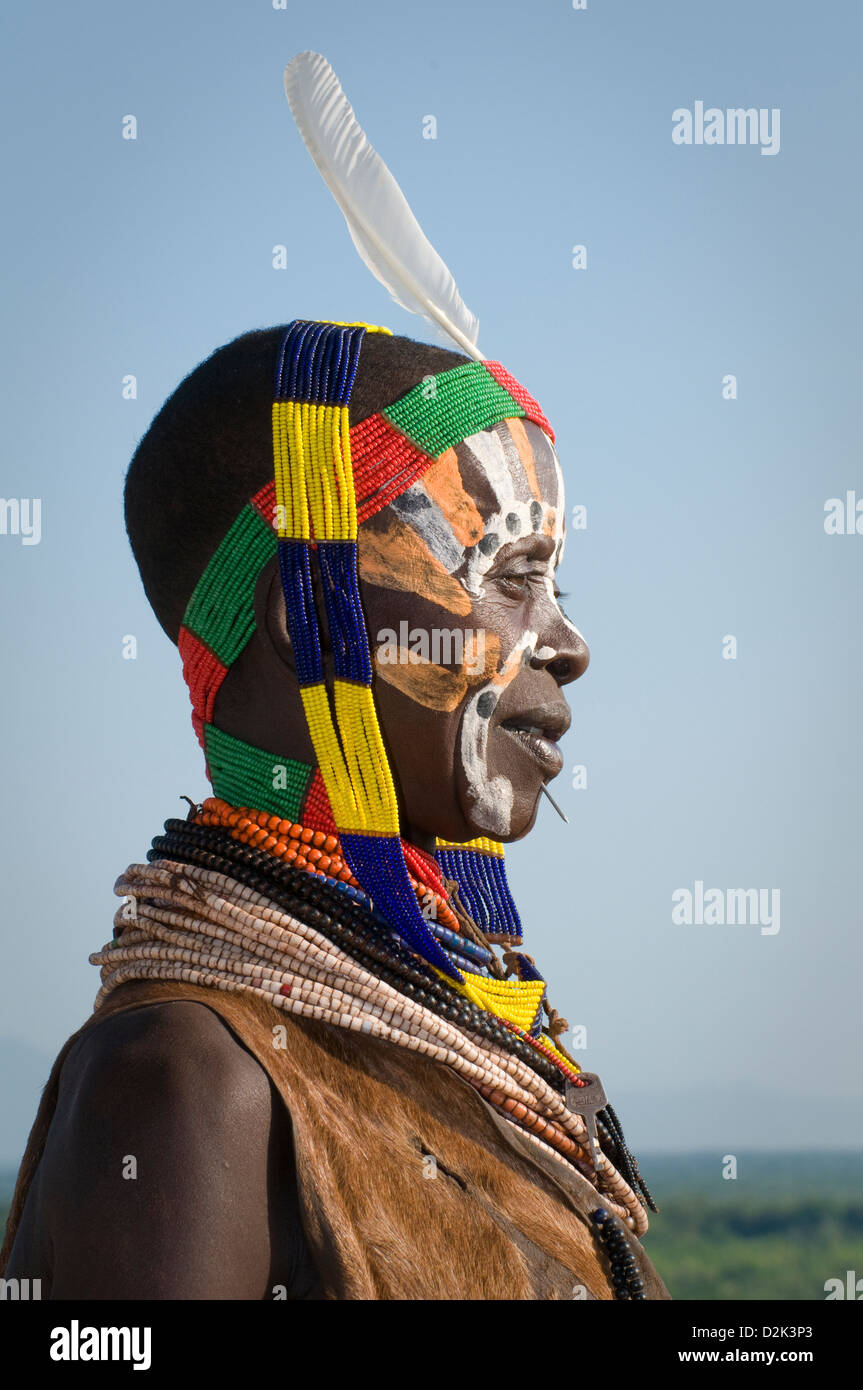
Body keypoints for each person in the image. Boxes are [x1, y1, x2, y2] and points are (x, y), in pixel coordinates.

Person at [0, 321, 668, 1299]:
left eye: (554, 583)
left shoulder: (443, 1056)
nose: (567, 642)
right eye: (513, 576)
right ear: (310, 616)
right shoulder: (184, 1086)